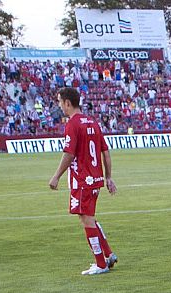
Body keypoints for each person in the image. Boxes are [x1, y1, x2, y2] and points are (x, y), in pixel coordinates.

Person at [47, 87, 118, 276]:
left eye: (60, 102)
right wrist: (108, 177)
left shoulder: (73, 124)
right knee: (90, 218)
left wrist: (56, 176)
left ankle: (100, 263)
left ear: (67, 103)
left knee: (86, 219)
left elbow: (69, 154)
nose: (59, 105)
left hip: (82, 180)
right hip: (95, 179)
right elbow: (105, 151)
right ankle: (108, 255)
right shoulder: (92, 122)